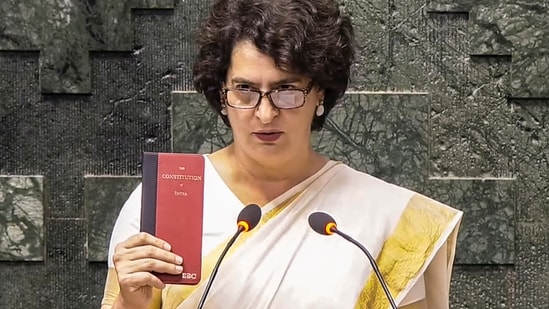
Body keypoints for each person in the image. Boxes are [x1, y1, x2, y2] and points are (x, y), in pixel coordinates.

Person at [101, 0, 463, 308]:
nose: (265, 113)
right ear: (221, 93)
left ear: (320, 92)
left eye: (286, 89)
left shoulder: (389, 220)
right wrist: (132, 302)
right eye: (244, 89)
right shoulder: (165, 199)